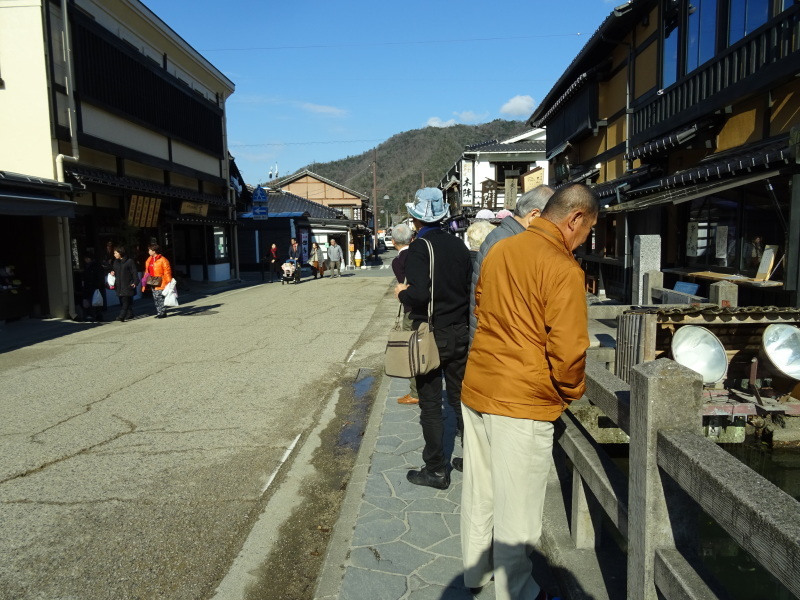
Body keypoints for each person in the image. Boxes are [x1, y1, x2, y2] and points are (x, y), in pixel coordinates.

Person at [460, 184, 598, 600]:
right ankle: (517, 592)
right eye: (588, 230)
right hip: (522, 400)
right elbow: (570, 348)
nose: (584, 239)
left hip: (479, 384)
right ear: (574, 219)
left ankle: (475, 572)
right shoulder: (563, 268)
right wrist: (571, 390)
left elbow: (481, 307)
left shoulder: (501, 249)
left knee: (480, 490)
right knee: (517, 508)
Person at [394, 188, 471, 490]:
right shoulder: (459, 245)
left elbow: (418, 294)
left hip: (431, 334)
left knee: (429, 404)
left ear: (415, 217)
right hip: (459, 331)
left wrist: (402, 292)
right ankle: (475, 460)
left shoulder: (419, 247)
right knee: (459, 398)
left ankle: (436, 470)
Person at [470, 185, 554, 341]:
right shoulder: (509, 243)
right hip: (500, 344)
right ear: (534, 215)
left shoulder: (503, 236)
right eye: (550, 221)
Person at [390, 223, 419, 405]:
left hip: (410, 309)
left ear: (393, 242)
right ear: (412, 239)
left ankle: (415, 392)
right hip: (429, 306)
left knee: (413, 350)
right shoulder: (420, 255)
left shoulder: (397, 262)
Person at [142, 243, 173, 319]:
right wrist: (145, 280)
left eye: (150, 250)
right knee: (155, 297)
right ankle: (159, 312)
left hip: (160, 280)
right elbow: (147, 270)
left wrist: (168, 281)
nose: (148, 251)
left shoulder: (163, 260)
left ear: (154, 251)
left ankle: (162, 312)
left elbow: (167, 271)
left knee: (159, 297)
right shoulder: (149, 259)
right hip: (152, 279)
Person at [111, 246, 138, 322]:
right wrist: (112, 272)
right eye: (114, 253)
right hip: (119, 284)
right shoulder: (116, 262)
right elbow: (114, 270)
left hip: (127, 284)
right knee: (122, 301)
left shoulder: (129, 261)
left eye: (116, 253)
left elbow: (134, 272)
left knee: (125, 301)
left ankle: (121, 316)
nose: (114, 254)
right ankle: (130, 313)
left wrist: (135, 282)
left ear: (120, 253)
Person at [81, 249, 104, 322]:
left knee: (94, 301)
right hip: (90, 286)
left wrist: (97, 285)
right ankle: (94, 315)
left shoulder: (94, 266)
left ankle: (95, 315)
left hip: (93, 286)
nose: (86, 260)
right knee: (93, 301)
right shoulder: (88, 266)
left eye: (87, 258)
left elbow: (98, 277)